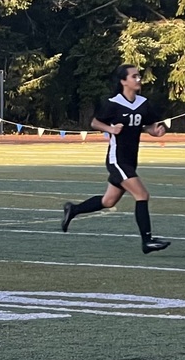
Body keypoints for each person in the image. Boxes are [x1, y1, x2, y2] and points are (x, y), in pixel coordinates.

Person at [60, 64, 170, 254]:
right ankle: (147, 241)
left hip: (131, 159)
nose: (138, 79)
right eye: (134, 76)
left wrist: (156, 132)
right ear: (123, 81)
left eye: (139, 76)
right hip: (117, 160)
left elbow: (148, 126)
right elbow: (95, 122)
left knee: (109, 201)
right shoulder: (114, 102)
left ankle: (73, 209)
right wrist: (111, 129)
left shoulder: (143, 103)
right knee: (142, 195)